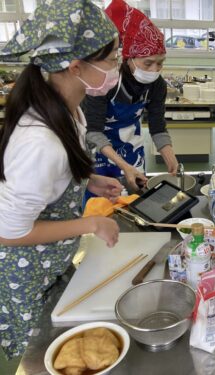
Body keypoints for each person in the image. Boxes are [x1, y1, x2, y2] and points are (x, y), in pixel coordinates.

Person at [0, 0, 122, 358]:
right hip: (25, 272)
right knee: (43, 358)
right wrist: (89, 223)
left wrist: (89, 182)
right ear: (76, 66)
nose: (117, 66)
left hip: (51, 261)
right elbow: (9, 231)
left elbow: (54, 179)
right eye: (112, 59)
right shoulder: (39, 142)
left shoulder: (69, 109)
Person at [83, 0, 178, 194]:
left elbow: (157, 125)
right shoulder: (107, 81)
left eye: (160, 63)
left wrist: (169, 155)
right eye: (148, 63)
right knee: (103, 203)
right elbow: (92, 131)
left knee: (134, 198)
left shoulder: (157, 85)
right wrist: (123, 166)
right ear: (129, 58)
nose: (155, 70)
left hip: (131, 147)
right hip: (99, 151)